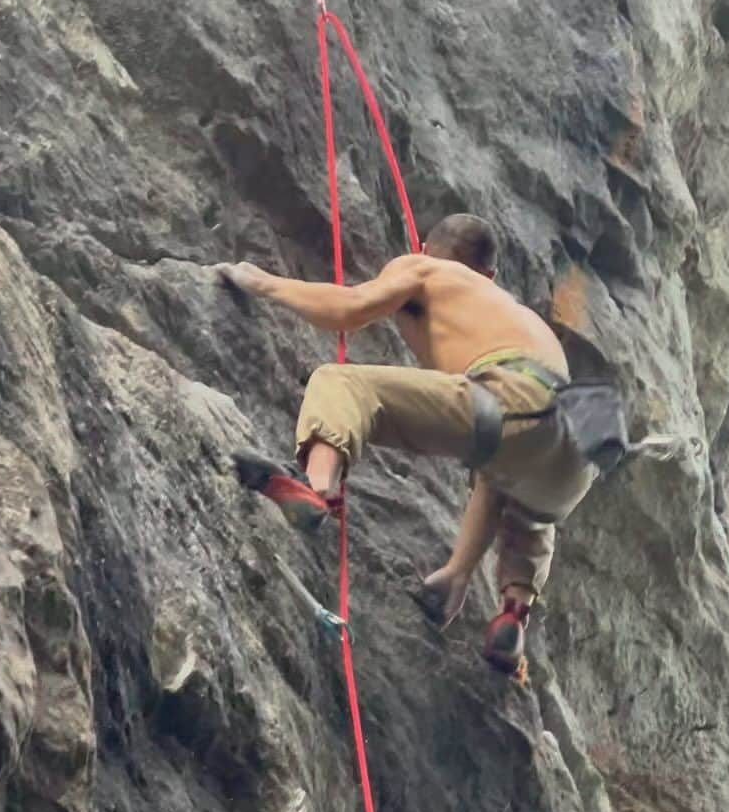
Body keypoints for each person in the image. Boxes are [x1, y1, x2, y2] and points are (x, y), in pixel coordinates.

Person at [219, 214, 595, 675]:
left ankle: (315, 486)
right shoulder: (520, 317)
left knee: (343, 383)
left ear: (423, 246)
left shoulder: (423, 267)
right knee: (514, 482)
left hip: (511, 398)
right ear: (491, 275)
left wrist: (263, 283)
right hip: (576, 453)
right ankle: (510, 608)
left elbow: (350, 308)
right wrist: (461, 568)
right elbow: (512, 453)